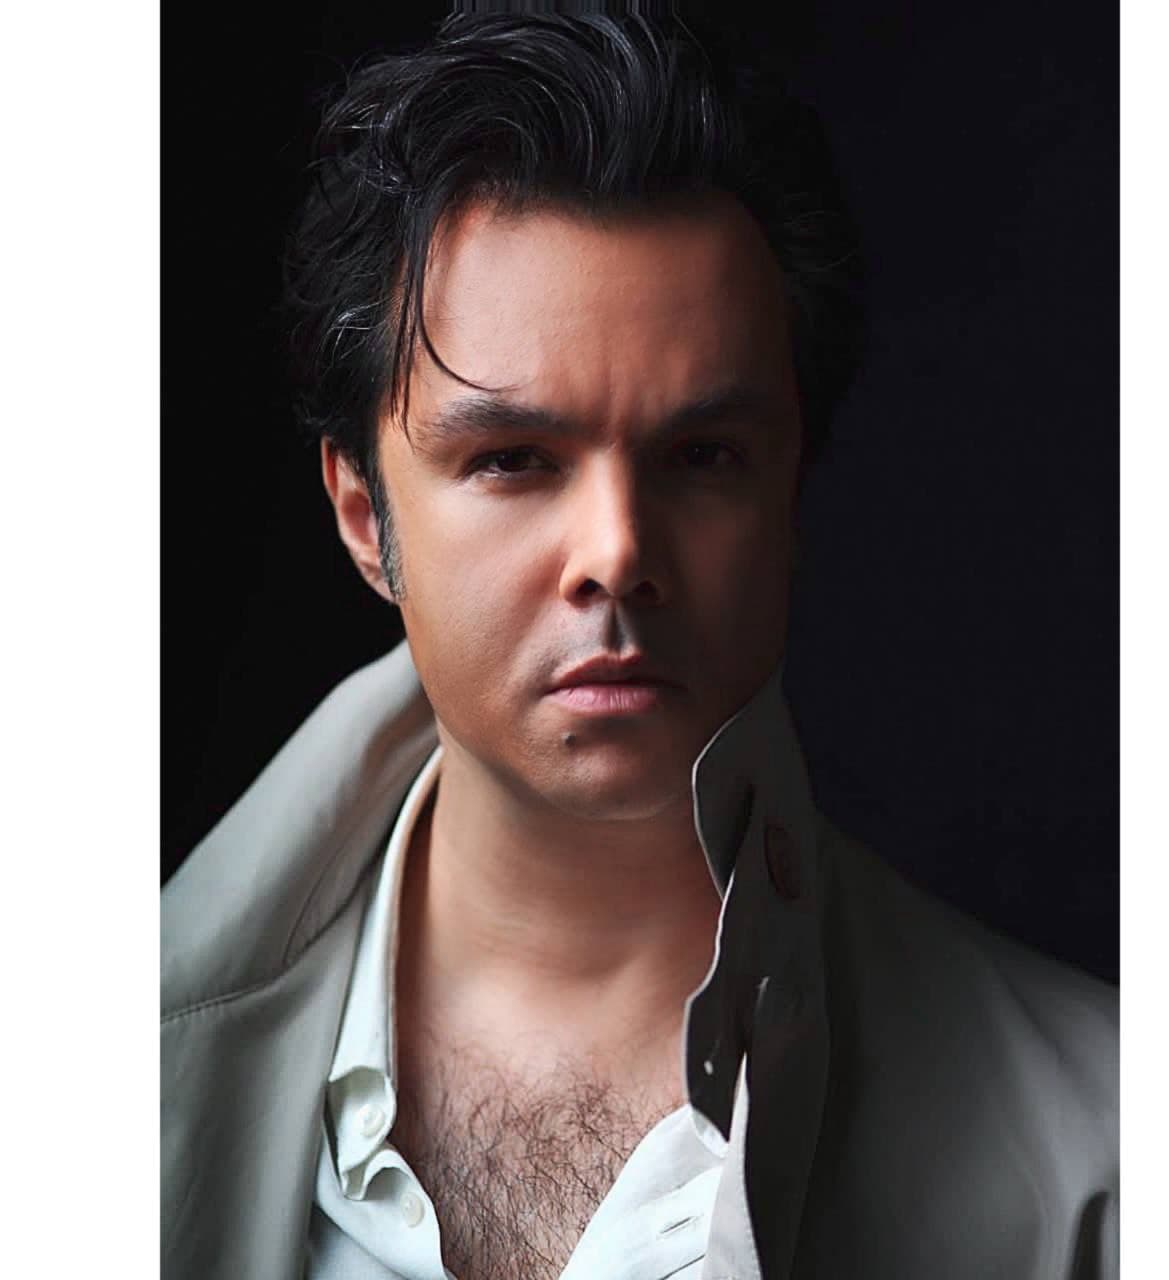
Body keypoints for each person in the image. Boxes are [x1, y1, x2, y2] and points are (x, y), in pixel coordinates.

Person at [161, 10, 1118, 1280]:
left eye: (700, 455)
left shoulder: (1117, 1170)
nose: (616, 550)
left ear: (790, 496)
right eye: (513, 459)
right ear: (360, 515)